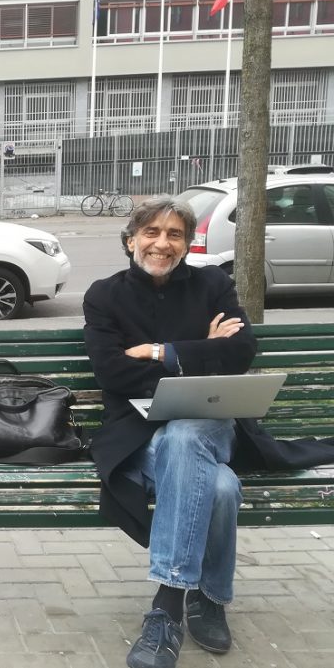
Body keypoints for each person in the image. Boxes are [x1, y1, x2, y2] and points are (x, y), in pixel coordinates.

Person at [82, 196, 334, 668]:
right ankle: (209, 597)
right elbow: (112, 373)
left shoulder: (213, 283)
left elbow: (239, 354)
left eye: (174, 234)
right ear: (131, 239)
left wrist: (160, 352)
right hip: (142, 434)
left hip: (218, 426)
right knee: (218, 484)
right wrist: (204, 350)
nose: (162, 243)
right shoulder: (104, 294)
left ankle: (166, 608)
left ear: (186, 242)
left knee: (192, 429)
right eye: (152, 232)